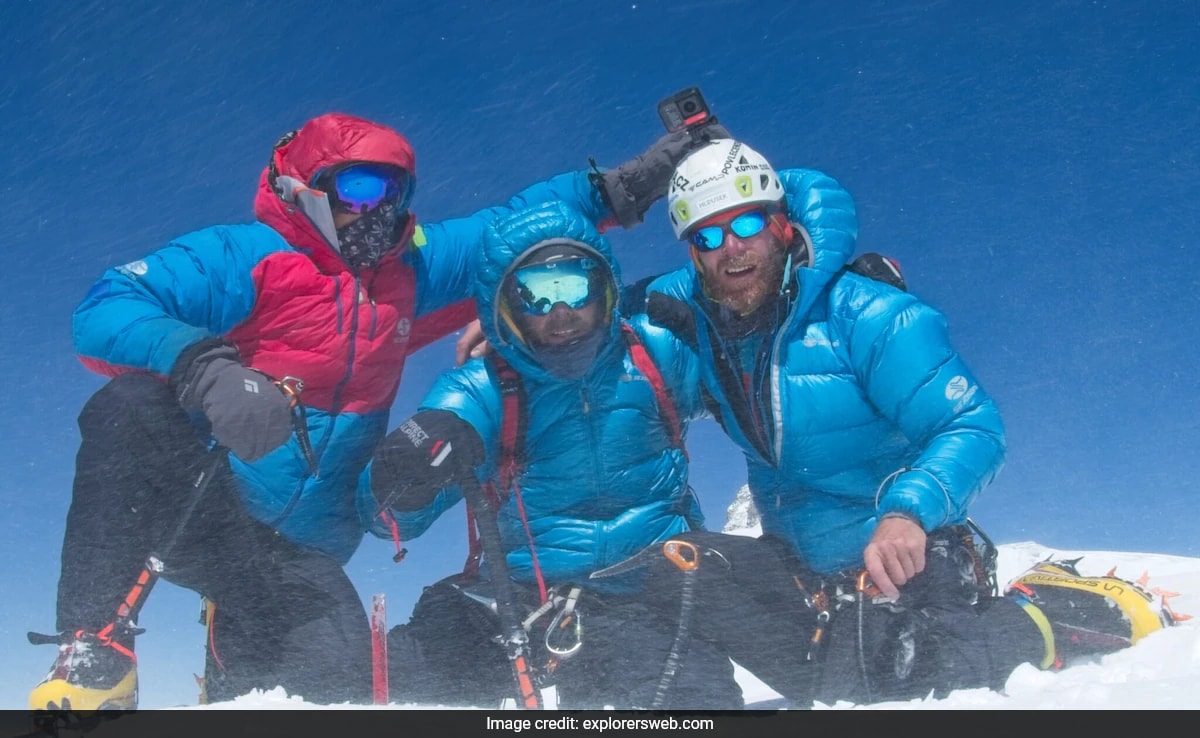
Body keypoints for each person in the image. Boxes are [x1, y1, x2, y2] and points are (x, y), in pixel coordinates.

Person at [27, 112, 726, 711]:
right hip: (207, 505)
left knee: (337, 692)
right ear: (303, 187)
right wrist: (204, 368)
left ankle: (232, 658)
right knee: (128, 404)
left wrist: (630, 185)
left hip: (297, 555)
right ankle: (96, 650)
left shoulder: (406, 274)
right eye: (360, 187)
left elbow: (508, 225)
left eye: (396, 192)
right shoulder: (246, 255)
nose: (379, 208)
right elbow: (106, 305)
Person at [611, 137, 1180, 706]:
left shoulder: (869, 315)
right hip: (804, 573)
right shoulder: (708, 334)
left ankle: (1054, 611)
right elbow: (591, 314)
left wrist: (907, 512)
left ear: (781, 225)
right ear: (694, 255)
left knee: (875, 678)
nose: (732, 248)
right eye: (708, 236)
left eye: (748, 224)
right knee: (676, 572)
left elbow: (972, 425)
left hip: (912, 553)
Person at [365, 200, 752, 710]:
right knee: (382, 688)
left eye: (574, 286)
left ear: (605, 286)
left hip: (649, 592)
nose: (561, 312)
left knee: (690, 706)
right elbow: (387, 520)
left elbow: (744, 286)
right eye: (536, 294)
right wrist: (405, 472)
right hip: (519, 599)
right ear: (505, 303)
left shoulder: (658, 352)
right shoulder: (478, 391)